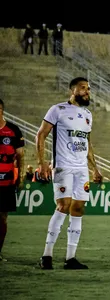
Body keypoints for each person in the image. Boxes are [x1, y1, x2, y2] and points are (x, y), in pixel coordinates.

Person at [37, 78, 103, 270]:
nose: (87, 92)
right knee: (63, 205)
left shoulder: (88, 114)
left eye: (88, 89)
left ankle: (70, 258)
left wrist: (95, 168)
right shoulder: (57, 110)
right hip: (63, 166)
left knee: (78, 209)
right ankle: (47, 255)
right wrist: (41, 164)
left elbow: (87, 143)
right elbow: (41, 134)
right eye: (83, 88)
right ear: (72, 89)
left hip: (81, 168)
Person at [0, 98, 25, 261]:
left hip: (6, 182)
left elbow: (20, 155)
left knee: (2, 217)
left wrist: (20, 175)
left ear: (1, 110)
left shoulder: (13, 130)